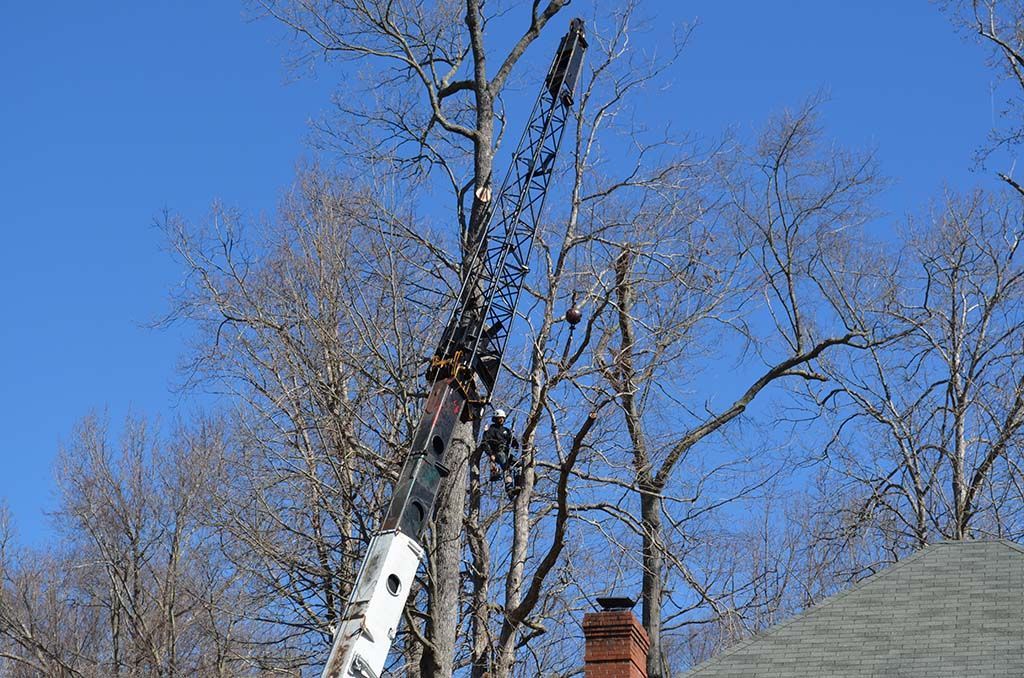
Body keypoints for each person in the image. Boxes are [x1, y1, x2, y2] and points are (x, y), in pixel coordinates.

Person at [478, 409, 519, 496]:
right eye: (500, 418)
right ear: (495, 419)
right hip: (498, 452)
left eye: (503, 418)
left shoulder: (506, 430)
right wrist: (490, 454)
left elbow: (512, 440)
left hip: (506, 452)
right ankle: (509, 488)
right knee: (506, 466)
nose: (501, 420)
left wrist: (516, 445)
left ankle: (518, 484)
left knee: (518, 465)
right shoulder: (491, 430)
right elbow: (484, 443)